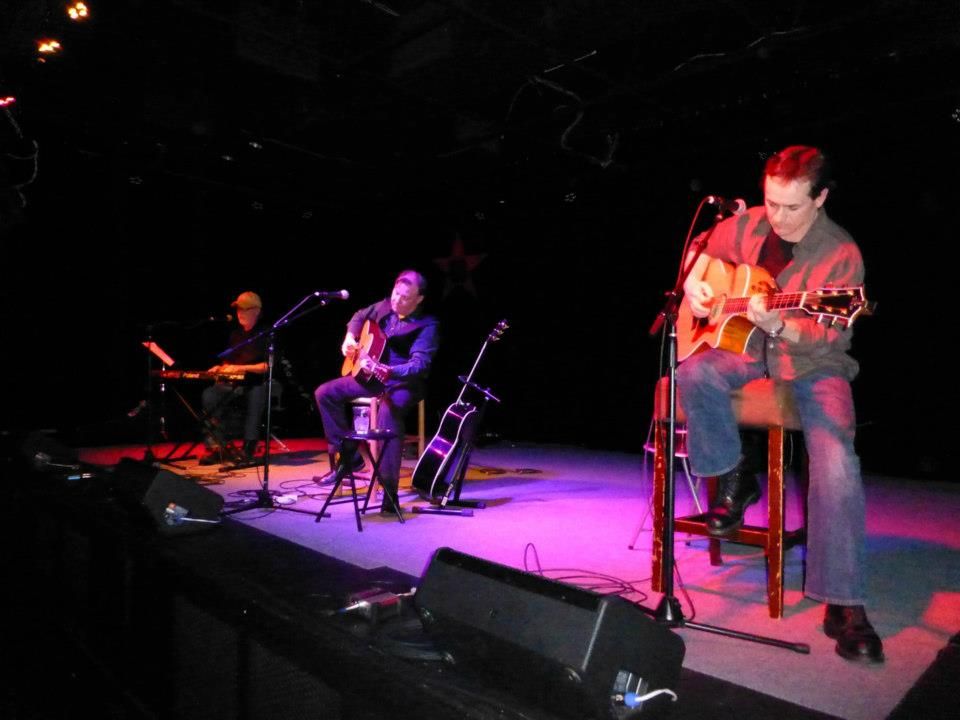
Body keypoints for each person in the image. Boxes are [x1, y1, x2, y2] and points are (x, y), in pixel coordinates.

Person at [676, 146, 883, 663]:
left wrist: (782, 325)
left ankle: (844, 602)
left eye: (792, 207)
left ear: (821, 198)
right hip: (747, 348)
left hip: (814, 364)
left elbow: (831, 336)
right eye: (772, 203)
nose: (779, 217)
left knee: (836, 460)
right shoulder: (748, 223)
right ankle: (734, 477)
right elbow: (699, 251)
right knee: (695, 371)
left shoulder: (841, 252)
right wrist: (696, 284)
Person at [314, 270, 439, 514]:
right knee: (324, 393)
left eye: (405, 297)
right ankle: (349, 457)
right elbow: (358, 316)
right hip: (371, 377)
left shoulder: (428, 325)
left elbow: (419, 365)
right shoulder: (384, 306)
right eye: (395, 293)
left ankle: (389, 492)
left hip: (404, 382)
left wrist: (389, 370)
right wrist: (349, 337)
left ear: (419, 299)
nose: (397, 300)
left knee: (388, 413)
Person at [199, 291, 277, 465]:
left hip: (258, 382)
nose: (240, 313)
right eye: (238, 309)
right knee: (210, 394)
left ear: (256, 311)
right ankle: (218, 447)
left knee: (256, 394)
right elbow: (230, 362)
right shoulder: (236, 335)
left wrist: (241, 368)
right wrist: (220, 368)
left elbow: (267, 367)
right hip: (235, 384)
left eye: (244, 309)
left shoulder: (267, 334)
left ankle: (248, 449)